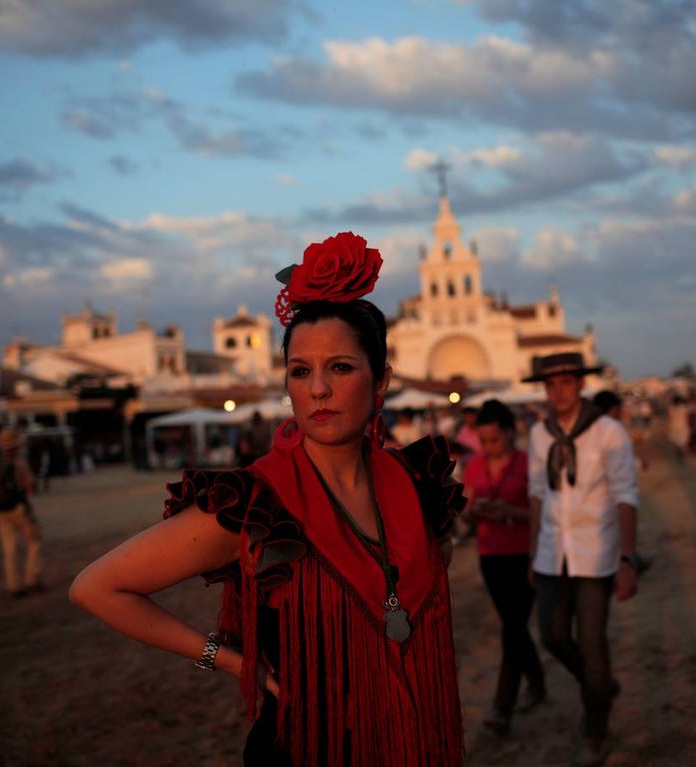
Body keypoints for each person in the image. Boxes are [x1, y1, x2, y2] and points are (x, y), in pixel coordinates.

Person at [70, 232, 466, 766]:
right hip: (304, 750)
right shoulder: (258, 503)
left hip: (411, 744)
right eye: (301, 371)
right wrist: (229, 659)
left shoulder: (418, 483)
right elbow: (97, 587)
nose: (318, 389)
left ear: (382, 382)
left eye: (341, 367)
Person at [525, 352, 639, 767]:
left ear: (580, 384)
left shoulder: (609, 432)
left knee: (592, 643)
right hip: (553, 551)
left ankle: (596, 727)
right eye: (551, 384)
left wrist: (627, 558)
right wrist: (533, 550)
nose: (558, 390)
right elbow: (538, 492)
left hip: (597, 552)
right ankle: (601, 687)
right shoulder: (540, 434)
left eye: (566, 382)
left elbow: (626, 496)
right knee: (552, 636)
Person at [461, 399, 546, 737]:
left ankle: (502, 707)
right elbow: (466, 507)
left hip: (524, 553)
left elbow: (543, 513)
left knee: (513, 627)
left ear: (511, 432)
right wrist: (471, 512)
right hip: (490, 554)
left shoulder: (529, 464)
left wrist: (509, 511)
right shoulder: (475, 466)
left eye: (494, 439)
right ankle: (537, 681)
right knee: (515, 625)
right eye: (484, 440)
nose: (488, 446)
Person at [0, 428, 43, 598]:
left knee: (9, 549)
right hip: (18, 508)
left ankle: (13, 585)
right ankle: (31, 578)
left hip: (1, 511)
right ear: (17, 446)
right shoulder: (19, 463)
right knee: (33, 541)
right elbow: (30, 487)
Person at [666, 395, 692, 464]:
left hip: (674, 427)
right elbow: (687, 418)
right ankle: (683, 457)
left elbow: (670, 419)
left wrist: (668, 428)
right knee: (683, 443)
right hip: (683, 426)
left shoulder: (671, 409)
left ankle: (678, 455)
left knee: (676, 442)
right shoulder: (684, 408)